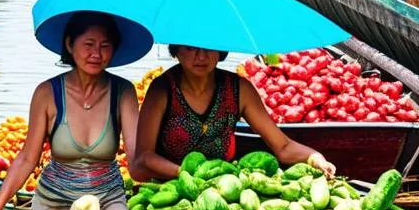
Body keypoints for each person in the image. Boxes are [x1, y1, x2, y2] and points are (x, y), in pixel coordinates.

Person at [0, 13, 141, 210]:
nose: (97, 53)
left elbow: (137, 156)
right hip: (55, 203)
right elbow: (26, 159)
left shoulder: (123, 92)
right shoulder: (47, 93)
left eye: (105, 46)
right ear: (69, 44)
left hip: (107, 200)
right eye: (88, 44)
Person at [131, 45, 336, 181]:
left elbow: (282, 145)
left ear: (220, 52)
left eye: (209, 48)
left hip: (224, 190)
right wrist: (187, 176)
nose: (201, 56)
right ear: (176, 50)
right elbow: (144, 157)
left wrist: (315, 158)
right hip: (169, 190)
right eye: (191, 48)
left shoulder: (238, 89)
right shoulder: (162, 89)